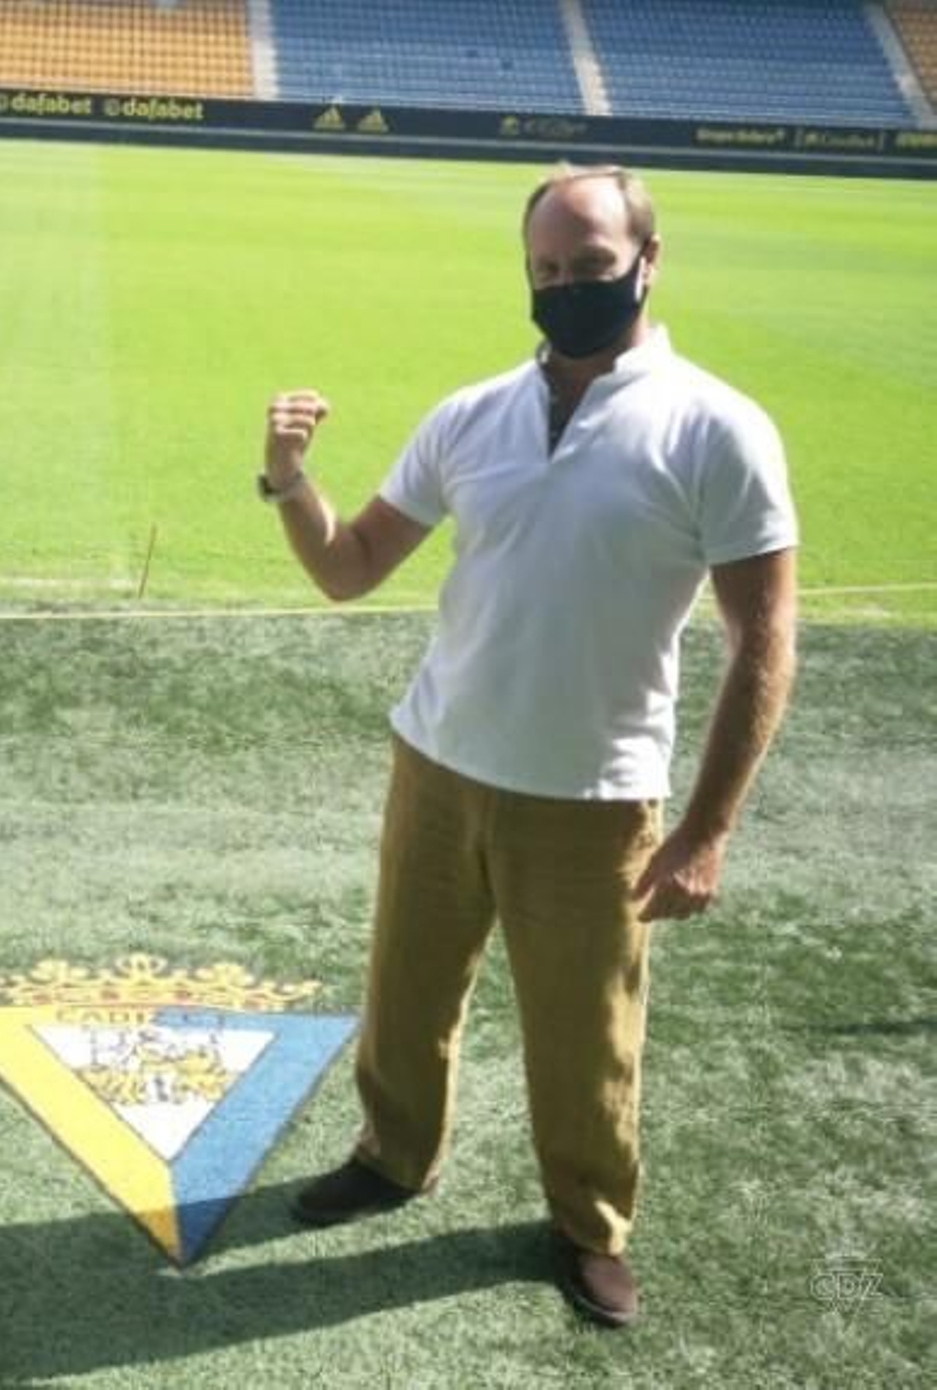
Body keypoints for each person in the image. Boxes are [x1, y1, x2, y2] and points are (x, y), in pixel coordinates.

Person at [261, 165, 797, 1327]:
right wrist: (290, 483)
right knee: (404, 997)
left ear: (648, 262)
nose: (565, 288)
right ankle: (393, 1155)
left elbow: (764, 637)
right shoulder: (472, 412)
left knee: (586, 1036)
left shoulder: (716, 426)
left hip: (593, 793)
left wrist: (706, 829)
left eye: (590, 267)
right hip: (440, 762)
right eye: (545, 270)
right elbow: (349, 569)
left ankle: (587, 1223)